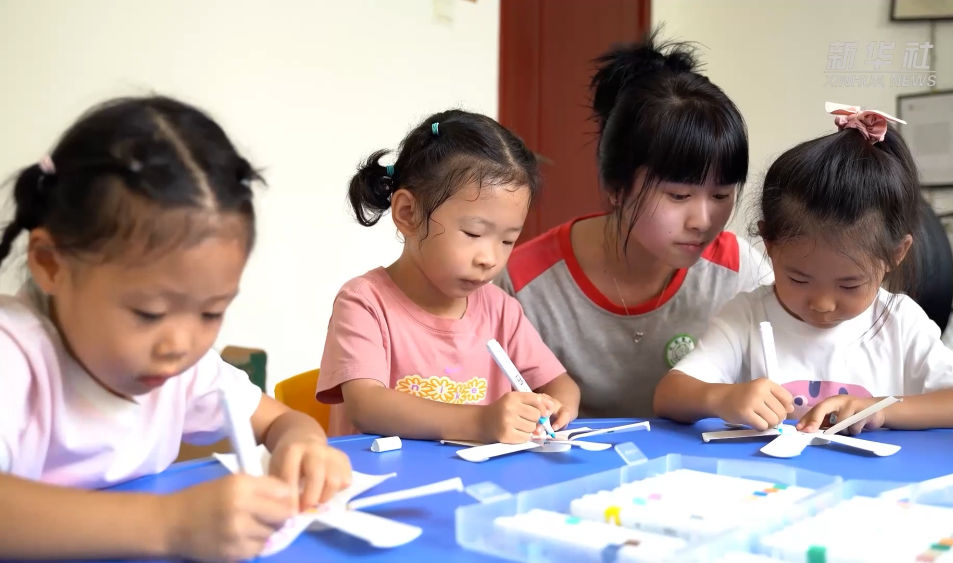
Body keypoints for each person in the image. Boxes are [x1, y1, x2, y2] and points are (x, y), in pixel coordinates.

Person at [0, 96, 351, 561]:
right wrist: (169, 523)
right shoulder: (14, 356)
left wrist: (303, 445)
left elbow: (280, 420)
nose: (180, 345)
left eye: (211, 313)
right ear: (50, 264)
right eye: (148, 312)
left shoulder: (183, 371)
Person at [653, 102, 953, 434]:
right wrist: (721, 398)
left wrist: (879, 410)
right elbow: (668, 395)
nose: (822, 303)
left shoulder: (899, 323)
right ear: (769, 243)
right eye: (798, 279)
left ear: (896, 254)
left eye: (849, 285)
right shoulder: (747, 317)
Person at [497, 36, 769, 417]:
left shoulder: (740, 271)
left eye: (721, 195)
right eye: (679, 195)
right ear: (616, 188)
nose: (703, 221)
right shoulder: (524, 284)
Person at [318, 109, 581, 442]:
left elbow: (561, 384)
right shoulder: (364, 303)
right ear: (408, 213)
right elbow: (366, 406)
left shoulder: (501, 310)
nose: (490, 259)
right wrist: (481, 422)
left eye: (507, 240)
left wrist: (554, 406)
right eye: (473, 233)